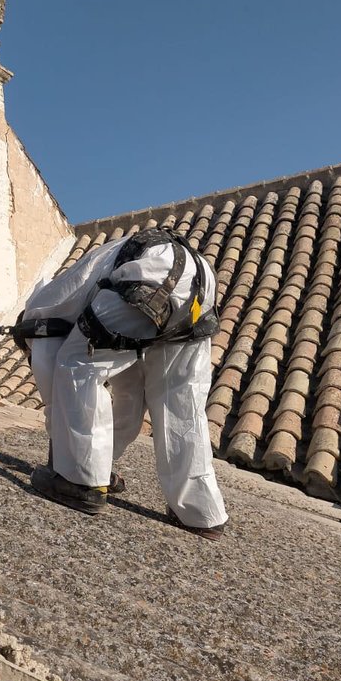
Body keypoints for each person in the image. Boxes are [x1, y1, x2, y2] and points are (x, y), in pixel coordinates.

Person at [18, 228, 228, 539]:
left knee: (78, 365)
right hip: (200, 286)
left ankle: (80, 482)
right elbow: (128, 400)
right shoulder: (97, 269)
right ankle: (201, 512)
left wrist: (63, 445)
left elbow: (54, 386)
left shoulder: (45, 304)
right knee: (180, 399)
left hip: (152, 279)